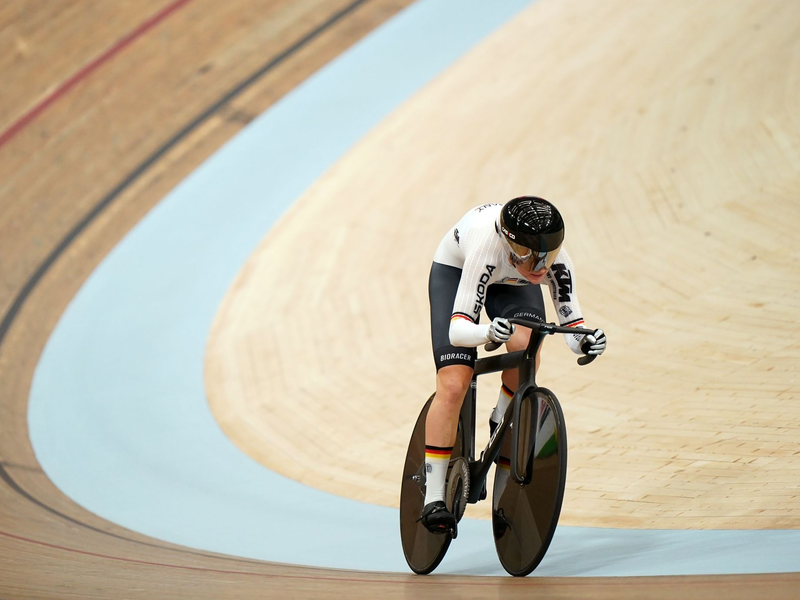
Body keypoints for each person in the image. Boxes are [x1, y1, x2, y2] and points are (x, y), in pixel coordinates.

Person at [420, 196, 606, 533]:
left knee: (526, 350)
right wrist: (486, 330)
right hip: (458, 271)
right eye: (532, 259)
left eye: (547, 259)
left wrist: (587, 339)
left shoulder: (553, 261)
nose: (541, 268)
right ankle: (432, 499)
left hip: (510, 284)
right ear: (510, 246)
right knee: (453, 383)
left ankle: (500, 419)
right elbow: (458, 331)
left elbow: (571, 323)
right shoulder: (486, 248)